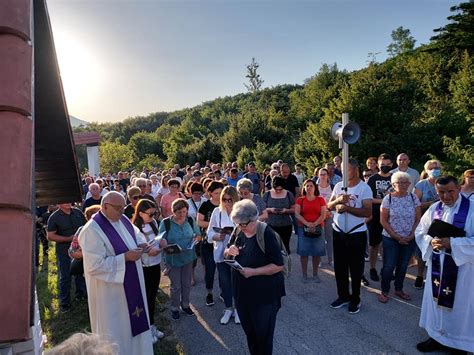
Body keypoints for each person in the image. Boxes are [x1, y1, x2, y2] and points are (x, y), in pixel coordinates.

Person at [78, 192, 154, 355]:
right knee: (116, 331)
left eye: (123, 207)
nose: (122, 211)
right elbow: (94, 266)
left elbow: (136, 233)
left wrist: (142, 243)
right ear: (105, 206)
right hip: (111, 295)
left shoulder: (122, 219)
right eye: (118, 208)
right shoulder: (92, 230)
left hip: (132, 287)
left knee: (136, 326)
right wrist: (125, 257)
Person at [415, 176, 474, 354]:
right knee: (436, 303)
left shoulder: (472, 209)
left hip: (463, 269)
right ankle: (436, 337)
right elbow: (420, 231)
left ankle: (459, 344)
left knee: (459, 306)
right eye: (441, 192)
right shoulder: (434, 208)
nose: (446, 196)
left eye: (450, 191)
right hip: (437, 266)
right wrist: (430, 242)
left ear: (458, 188)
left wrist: (453, 244)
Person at [225, 200, 285, 355]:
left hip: (264, 298)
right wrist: (229, 252)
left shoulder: (266, 233)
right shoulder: (238, 229)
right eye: (237, 224)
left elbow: (278, 265)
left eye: (244, 225)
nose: (240, 228)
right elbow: (226, 254)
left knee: (263, 338)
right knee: (250, 335)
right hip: (242, 294)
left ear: (254, 219)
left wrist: (253, 272)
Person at [327, 158, 372, 314]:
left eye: (348, 170)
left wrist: (346, 208)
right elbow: (328, 206)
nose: (344, 173)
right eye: (343, 170)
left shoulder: (364, 188)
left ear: (356, 170)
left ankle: (356, 299)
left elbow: (367, 212)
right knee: (339, 267)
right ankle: (343, 296)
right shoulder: (339, 186)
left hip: (356, 233)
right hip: (338, 231)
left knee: (356, 268)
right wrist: (338, 200)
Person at [378, 172, 421, 303]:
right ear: (393, 184)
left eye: (405, 182)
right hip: (390, 238)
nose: (402, 185)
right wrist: (395, 236)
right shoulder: (388, 199)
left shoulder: (414, 198)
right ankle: (384, 291)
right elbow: (383, 221)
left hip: (409, 238)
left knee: (403, 266)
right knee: (389, 266)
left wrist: (411, 235)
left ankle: (399, 289)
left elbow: (418, 219)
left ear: (409, 184)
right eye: (399, 182)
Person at [159, 199, 202, 320]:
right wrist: (165, 244)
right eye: (179, 212)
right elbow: (161, 239)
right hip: (173, 258)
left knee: (186, 283)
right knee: (176, 285)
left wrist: (196, 240)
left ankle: (185, 305)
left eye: (184, 211)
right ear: (173, 211)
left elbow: (198, 235)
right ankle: (175, 308)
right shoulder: (166, 223)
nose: (182, 215)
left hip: (188, 256)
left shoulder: (190, 220)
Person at [132, 199, 167, 342]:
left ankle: (151, 325)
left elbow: (156, 239)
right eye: (151, 214)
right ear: (140, 213)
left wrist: (162, 242)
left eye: (155, 213)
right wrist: (148, 251)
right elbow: (136, 247)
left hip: (155, 264)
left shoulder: (153, 223)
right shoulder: (134, 228)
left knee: (152, 297)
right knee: (146, 298)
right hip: (144, 267)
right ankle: (146, 329)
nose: (154, 216)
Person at [207, 186, 240, 325]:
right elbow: (209, 234)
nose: (227, 202)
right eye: (224, 199)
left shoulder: (241, 211)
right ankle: (228, 308)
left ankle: (238, 309)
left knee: (237, 282)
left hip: (237, 252)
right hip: (220, 252)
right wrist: (217, 236)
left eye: (230, 200)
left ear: (235, 199)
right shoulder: (217, 211)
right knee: (225, 281)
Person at [47, 203, 87, 313]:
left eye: (69, 199)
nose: (68, 202)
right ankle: (65, 304)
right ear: (59, 203)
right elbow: (50, 236)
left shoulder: (78, 213)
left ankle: (81, 294)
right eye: (65, 200)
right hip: (64, 251)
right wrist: (68, 238)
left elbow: (86, 226)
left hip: (80, 250)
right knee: (65, 276)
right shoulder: (54, 217)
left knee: (80, 273)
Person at [414, 159, 443, 289]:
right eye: (431, 168)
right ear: (426, 171)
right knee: (423, 249)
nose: (434, 170)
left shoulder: (444, 183)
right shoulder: (421, 185)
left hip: (442, 222)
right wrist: (431, 204)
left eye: (436, 167)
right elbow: (415, 204)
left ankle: (436, 276)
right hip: (425, 221)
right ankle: (420, 275)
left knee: (439, 248)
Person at [367, 153, 394, 282]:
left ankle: (386, 269)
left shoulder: (395, 178)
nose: (384, 167)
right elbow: (369, 199)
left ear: (391, 165)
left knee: (388, 245)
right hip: (376, 216)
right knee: (374, 245)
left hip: (392, 217)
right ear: (378, 165)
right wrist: (386, 200)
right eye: (382, 165)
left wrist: (384, 200)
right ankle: (372, 268)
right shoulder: (372, 179)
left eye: (387, 165)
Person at [197, 181, 224, 306]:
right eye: (216, 193)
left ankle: (224, 292)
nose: (218, 195)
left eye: (220, 192)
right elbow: (199, 222)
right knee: (210, 269)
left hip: (224, 242)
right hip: (208, 242)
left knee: (224, 269)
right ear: (210, 193)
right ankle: (209, 293)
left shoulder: (227, 204)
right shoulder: (205, 205)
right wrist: (214, 225)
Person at [295, 179, 327, 283]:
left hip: (318, 228)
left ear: (315, 188)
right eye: (307, 186)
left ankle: (315, 274)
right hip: (303, 228)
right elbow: (297, 214)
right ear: (304, 188)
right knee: (304, 252)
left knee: (316, 252)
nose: (309, 188)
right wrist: (307, 223)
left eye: (311, 186)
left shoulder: (320, 199)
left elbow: (323, 214)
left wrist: (315, 224)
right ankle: (304, 274)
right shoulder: (300, 200)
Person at [263, 176, 296, 254]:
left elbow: (294, 209)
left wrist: (286, 210)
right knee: (272, 248)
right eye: (276, 189)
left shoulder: (288, 194)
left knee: (285, 248)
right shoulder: (267, 194)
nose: (278, 191)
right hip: (271, 225)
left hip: (285, 225)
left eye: (280, 189)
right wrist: (270, 210)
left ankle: (286, 264)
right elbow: (262, 209)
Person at [317, 168, 334, 265]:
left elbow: (336, 202)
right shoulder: (315, 187)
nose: (323, 176)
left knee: (329, 238)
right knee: (320, 238)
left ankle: (330, 259)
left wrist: (328, 211)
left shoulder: (332, 187)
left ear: (328, 175)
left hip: (329, 215)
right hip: (318, 216)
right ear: (318, 176)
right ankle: (319, 260)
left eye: (324, 174)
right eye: (321, 174)